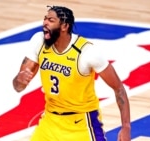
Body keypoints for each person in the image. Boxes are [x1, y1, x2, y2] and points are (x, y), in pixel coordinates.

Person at [12, 5, 131, 141]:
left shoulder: (87, 52)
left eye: (51, 20)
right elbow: (18, 87)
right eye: (45, 19)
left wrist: (126, 127)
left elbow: (118, 88)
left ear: (64, 26)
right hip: (50, 120)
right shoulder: (39, 42)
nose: (45, 22)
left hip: (81, 123)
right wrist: (19, 80)